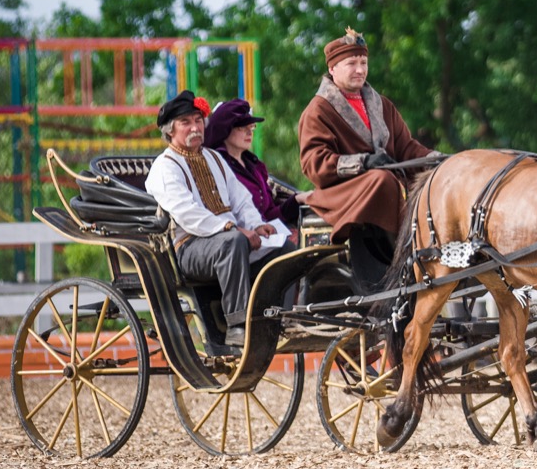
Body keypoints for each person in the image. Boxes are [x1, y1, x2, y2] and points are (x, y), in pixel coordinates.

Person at [145, 90, 296, 357]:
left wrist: (256, 224)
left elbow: (240, 200)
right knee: (234, 242)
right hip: (190, 248)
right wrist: (232, 229)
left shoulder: (214, 158)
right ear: (170, 131)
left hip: (229, 242)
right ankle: (237, 325)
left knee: (284, 248)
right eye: (186, 123)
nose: (195, 128)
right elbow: (188, 214)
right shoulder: (164, 167)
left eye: (198, 120)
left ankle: (276, 317)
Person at [297, 28, 440, 254]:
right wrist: (364, 162)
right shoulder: (318, 110)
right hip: (342, 194)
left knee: (441, 180)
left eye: (364, 62)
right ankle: (403, 255)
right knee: (383, 180)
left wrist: (437, 161)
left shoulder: (381, 104)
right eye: (351, 63)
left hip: (383, 188)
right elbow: (314, 164)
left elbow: (406, 148)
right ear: (332, 68)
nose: (360, 70)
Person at [203, 98, 311, 233]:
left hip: (267, 237)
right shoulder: (216, 166)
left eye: (251, 127)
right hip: (241, 241)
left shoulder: (254, 167)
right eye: (242, 127)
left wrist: (297, 200)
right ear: (224, 129)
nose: (249, 132)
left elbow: (268, 215)